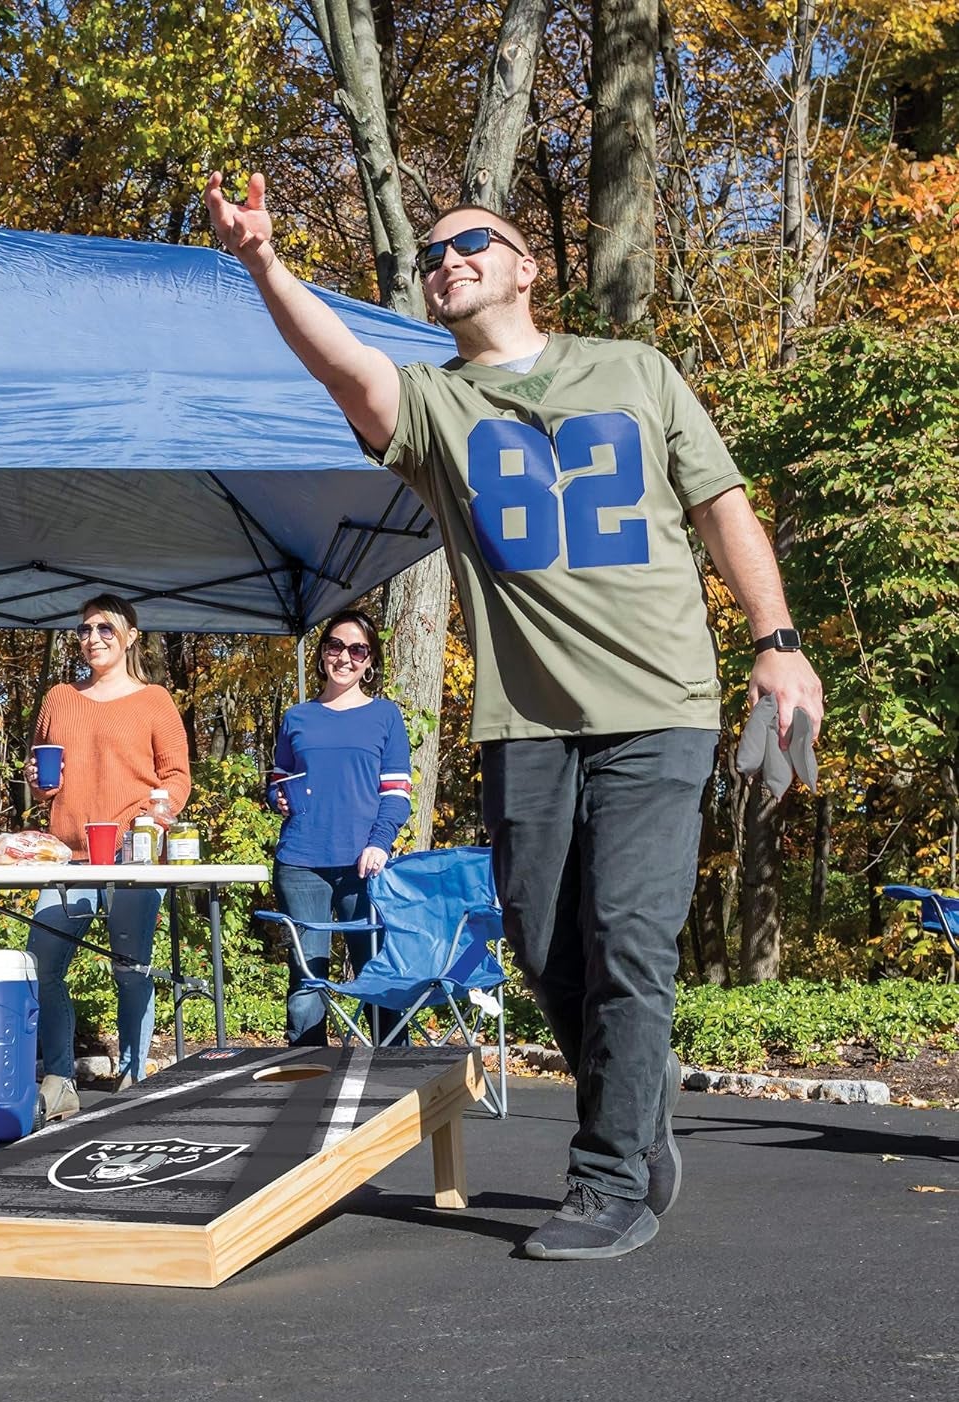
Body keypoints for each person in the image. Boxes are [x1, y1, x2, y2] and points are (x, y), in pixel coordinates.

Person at [206, 172, 824, 1260]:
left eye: (472, 241)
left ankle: (608, 1176)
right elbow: (344, 366)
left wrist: (777, 646)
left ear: (528, 266)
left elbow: (723, 509)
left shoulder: (636, 372)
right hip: (525, 722)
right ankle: (636, 1109)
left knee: (630, 937)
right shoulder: (440, 410)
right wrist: (262, 261)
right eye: (433, 252)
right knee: (542, 944)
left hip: (659, 706)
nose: (448, 258)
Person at [24, 594, 192, 1120]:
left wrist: (150, 820)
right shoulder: (58, 697)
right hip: (66, 860)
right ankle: (58, 1080)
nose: (91, 638)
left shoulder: (154, 700)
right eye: (83, 629)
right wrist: (35, 784)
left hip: (131, 860)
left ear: (130, 636)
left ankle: (134, 1077)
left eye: (104, 628)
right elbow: (41, 777)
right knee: (40, 968)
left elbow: (178, 779)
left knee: (131, 971)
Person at [270, 608, 412, 1046]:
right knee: (307, 978)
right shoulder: (297, 717)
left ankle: (393, 1077)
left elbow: (396, 793)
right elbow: (280, 778)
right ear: (322, 654)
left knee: (377, 975)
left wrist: (379, 844)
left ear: (369, 661)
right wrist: (274, 795)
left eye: (357, 649)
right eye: (335, 646)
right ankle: (306, 1078)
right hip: (300, 862)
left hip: (363, 865)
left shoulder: (386, 716)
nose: (345, 657)